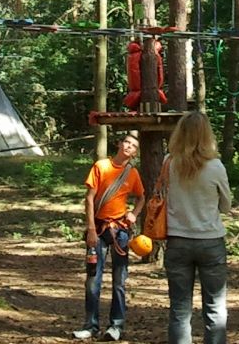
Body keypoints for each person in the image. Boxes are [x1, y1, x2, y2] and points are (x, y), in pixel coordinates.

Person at [163, 111, 232, 344]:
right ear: (207, 135)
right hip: (210, 241)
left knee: (180, 308)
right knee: (215, 306)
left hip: (177, 239)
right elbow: (226, 206)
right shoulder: (215, 166)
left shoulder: (169, 162)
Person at [76, 133, 145, 341]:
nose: (129, 147)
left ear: (135, 152)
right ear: (119, 143)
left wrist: (134, 213)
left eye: (133, 146)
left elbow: (141, 196)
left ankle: (116, 326)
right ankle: (91, 325)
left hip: (120, 232)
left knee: (119, 281)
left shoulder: (132, 173)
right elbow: (89, 199)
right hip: (97, 230)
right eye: (127, 142)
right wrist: (90, 229)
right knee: (92, 280)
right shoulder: (101, 166)